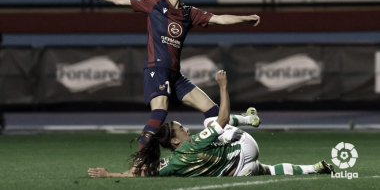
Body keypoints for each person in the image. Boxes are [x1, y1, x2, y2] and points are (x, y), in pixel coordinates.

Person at [74, 0, 261, 156]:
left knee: (213, 112)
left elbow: (219, 18)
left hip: (175, 75)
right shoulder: (154, 5)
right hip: (157, 68)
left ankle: (247, 119)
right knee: (160, 112)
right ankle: (140, 160)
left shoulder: (189, 13)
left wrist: (244, 19)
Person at [87, 70, 335, 178]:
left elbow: (139, 173)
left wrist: (110, 174)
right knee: (211, 118)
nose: (186, 129)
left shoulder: (170, 164)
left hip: (238, 172)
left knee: (269, 170)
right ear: (175, 140)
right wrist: (223, 88)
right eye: (180, 129)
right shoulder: (194, 143)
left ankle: (315, 168)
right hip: (245, 148)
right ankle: (250, 118)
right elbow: (223, 119)